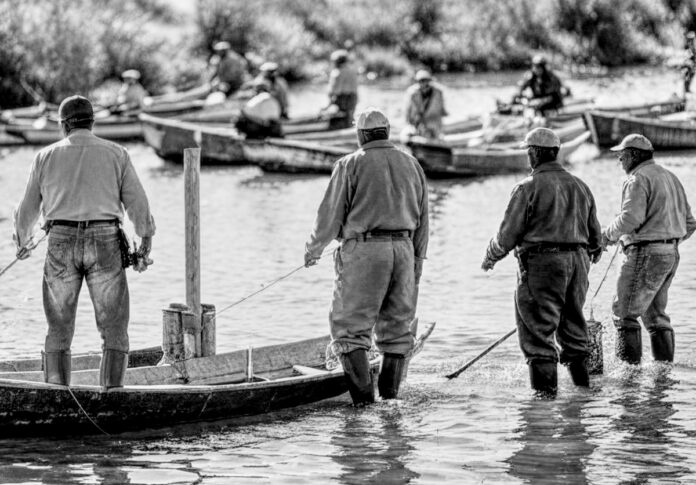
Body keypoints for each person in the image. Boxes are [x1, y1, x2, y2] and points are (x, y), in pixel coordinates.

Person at [13, 95, 156, 389]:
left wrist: (23, 242)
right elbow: (138, 204)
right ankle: (112, 396)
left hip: (61, 242)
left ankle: (56, 395)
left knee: (59, 328)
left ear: (63, 125)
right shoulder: (117, 153)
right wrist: (145, 244)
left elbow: (26, 210)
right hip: (105, 242)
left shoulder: (45, 156)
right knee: (114, 327)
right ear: (92, 122)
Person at [304, 107, 429, 406]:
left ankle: (363, 409)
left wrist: (313, 249)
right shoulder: (412, 164)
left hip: (365, 250)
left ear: (360, 134)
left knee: (349, 330)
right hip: (404, 249)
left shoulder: (349, 164)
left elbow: (329, 216)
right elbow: (424, 221)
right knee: (398, 331)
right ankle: (390, 404)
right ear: (387, 132)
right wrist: (416, 264)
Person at [482, 127, 603, 397]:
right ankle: (583, 397)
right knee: (573, 329)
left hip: (542, 264)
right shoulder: (580, 186)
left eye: (528, 152)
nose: (527, 157)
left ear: (534, 153)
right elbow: (596, 239)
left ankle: (544, 406)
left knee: (537, 334)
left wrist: (491, 257)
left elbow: (506, 237)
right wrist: (586, 258)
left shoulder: (527, 187)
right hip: (578, 263)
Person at [602, 134, 696, 364]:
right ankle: (663, 373)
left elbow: (630, 219)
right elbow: (690, 223)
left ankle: (628, 380)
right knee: (656, 317)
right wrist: (667, 242)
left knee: (624, 315)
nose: (620, 162)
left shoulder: (637, 178)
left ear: (634, 155)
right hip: (670, 254)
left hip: (644, 253)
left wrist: (605, 236)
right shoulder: (670, 176)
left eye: (622, 156)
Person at [404, 69, 448, 139]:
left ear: (429, 81)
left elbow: (441, 110)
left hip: (434, 123)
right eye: (421, 81)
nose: (423, 83)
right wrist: (411, 124)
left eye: (425, 80)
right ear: (417, 81)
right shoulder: (412, 93)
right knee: (409, 133)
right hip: (417, 124)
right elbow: (408, 111)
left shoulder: (438, 92)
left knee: (435, 134)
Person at [326, 49, 359, 129]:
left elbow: (334, 91)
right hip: (353, 97)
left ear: (336, 62)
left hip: (342, 99)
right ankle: (349, 126)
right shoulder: (353, 71)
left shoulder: (336, 73)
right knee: (349, 116)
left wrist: (329, 104)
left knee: (338, 116)